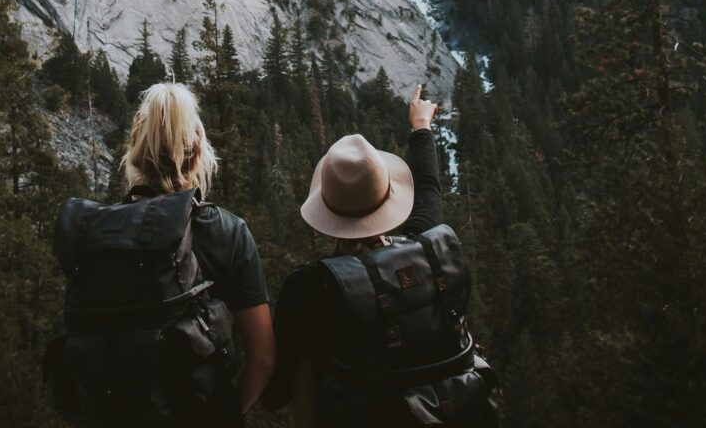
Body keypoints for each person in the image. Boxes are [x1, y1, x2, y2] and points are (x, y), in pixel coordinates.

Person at [261, 84, 498, 427]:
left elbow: (275, 394)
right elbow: (429, 188)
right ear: (388, 200)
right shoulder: (426, 251)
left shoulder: (310, 288)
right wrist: (421, 126)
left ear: (327, 217)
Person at [49, 81, 275, 426]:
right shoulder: (227, 231)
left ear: (135, 152)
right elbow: (263, 357)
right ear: (198, 151)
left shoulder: (99, 235)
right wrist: (225, 414)